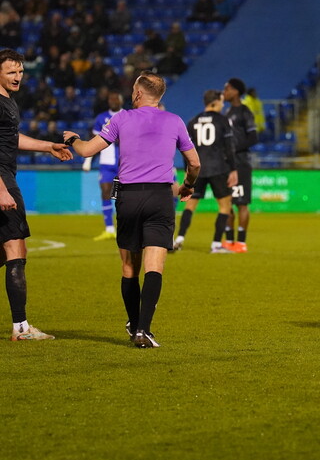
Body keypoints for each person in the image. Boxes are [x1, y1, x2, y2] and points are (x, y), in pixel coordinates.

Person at [64, 71, 200, 348]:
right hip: (161, 198)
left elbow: (88, 150)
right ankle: (144, 331)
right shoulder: (174, 121)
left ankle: (133, 322)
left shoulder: (121, 118)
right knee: (155, 266)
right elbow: (195, 164)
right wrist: (187, 185)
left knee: (129, 268)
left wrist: (72, 139)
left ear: (138, 93)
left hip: (128, 197)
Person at [0, 50, 74, 341]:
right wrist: (2, 188)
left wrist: (48, 146)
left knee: (7, 250)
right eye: (10, 72)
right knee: (15, 249)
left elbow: (11, 139)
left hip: (6, 177)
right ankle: (21, 328)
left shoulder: (8, 102)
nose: (18, 77)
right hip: (3, 179)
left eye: (20, 72)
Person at [174, 90, 238, 253]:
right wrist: (233, 169)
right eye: (222, 102)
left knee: (190, 205)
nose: (223, 105)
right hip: (218, 168)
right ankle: (216, 244)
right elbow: (229, 148)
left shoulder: (193, 121)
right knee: (224, 206)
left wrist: (189, 172)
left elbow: (185, 149)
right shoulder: (223, 121)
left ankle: (179, 238)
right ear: (215, 102)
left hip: (198, 170)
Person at [222, 77, 258, 253]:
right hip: (228, 165)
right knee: (227, 202)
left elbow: (253, 137)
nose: (225, 92)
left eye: (227, 89)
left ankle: (241, 242)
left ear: (236, 91)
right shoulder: (227, 113)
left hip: (242, 163)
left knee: (242, 204)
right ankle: (229, 241)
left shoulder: (245, 112)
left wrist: (234, 149)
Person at [83, 91, 124, 241]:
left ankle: (123, 227)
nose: (113, 101)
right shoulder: (101, 118)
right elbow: (94, 139)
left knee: (121, 195)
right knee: (106, 191)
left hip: (123, 163)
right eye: (111, 99)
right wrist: (88, 160)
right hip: (106, 163)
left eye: (116, 98)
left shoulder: (126, 115)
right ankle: (109, 228)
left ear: (120, 100)